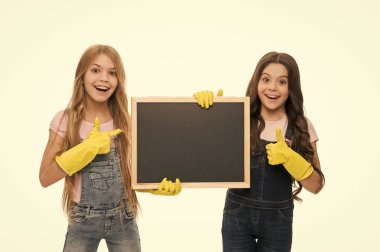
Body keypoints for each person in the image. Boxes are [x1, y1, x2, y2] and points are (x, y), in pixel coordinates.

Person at [39, 44, 181, 252]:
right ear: (82, 75)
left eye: (112, 73)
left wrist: (152, 185)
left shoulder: (126, 121)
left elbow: (134, 172)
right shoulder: (65, 120)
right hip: (83, 218)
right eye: (95, 70)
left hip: (123, 216)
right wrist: (85, 150)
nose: (104, 78)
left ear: (119, 81)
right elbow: (45, 177)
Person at [194, 52, 325, 251]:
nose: (272, 87)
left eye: (282, 82)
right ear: (256, 82)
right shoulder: (238, 117)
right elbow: (202, 150)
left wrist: (292, 159)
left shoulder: (301, 126)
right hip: (237, 216)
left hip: (278, 221)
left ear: (292, 88)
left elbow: (316, 186)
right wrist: (208, 113)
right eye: (266, 79)